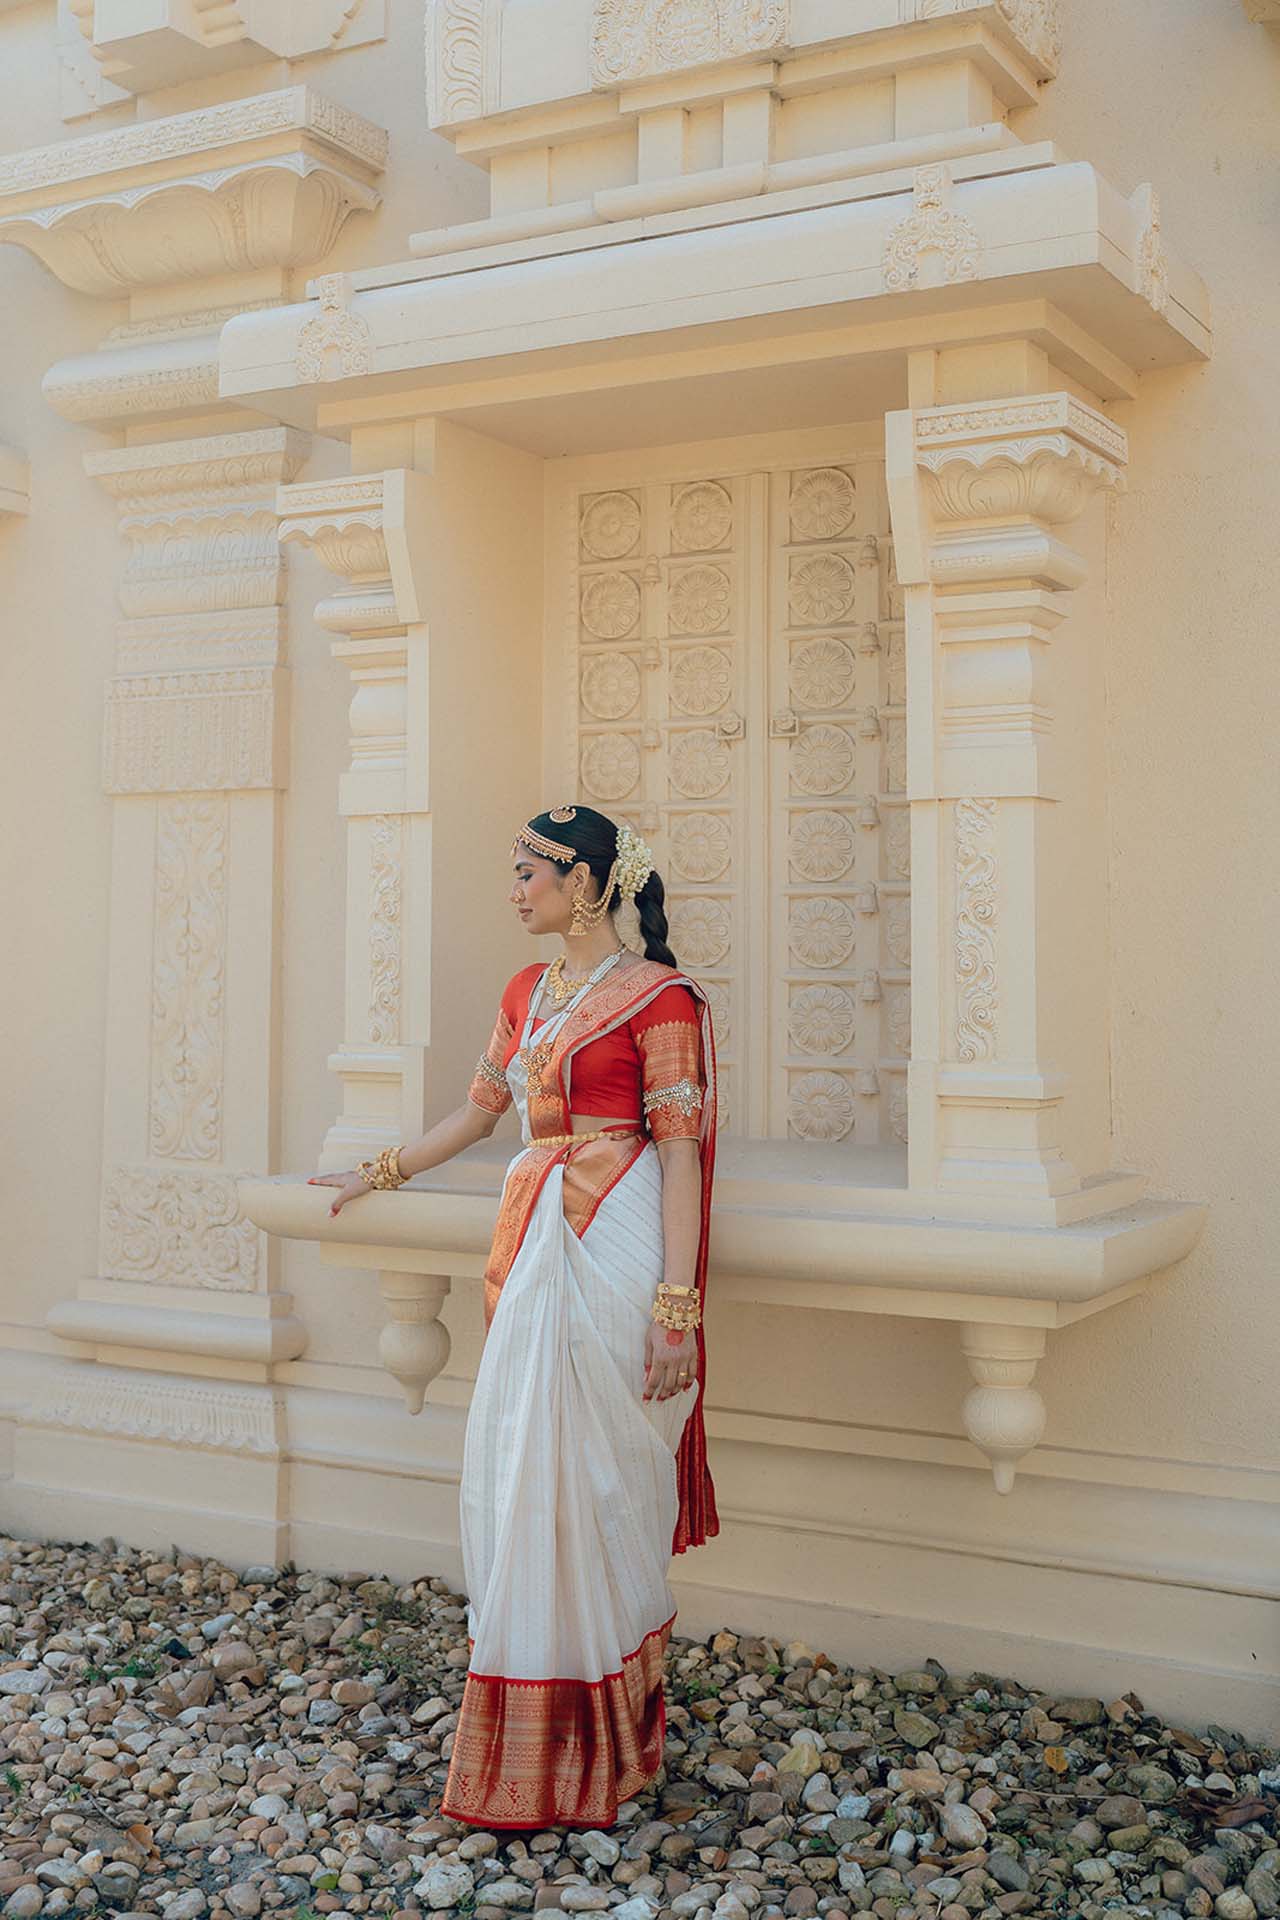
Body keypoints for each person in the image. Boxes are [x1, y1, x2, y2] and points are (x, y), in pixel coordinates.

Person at [309, 804, 719, 1829]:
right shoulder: (524, 993)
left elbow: (678, 1155)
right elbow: (480, 1113)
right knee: (525, 1467)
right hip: (537, 1237)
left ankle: (610, 1743)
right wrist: (376, 1172)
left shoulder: (660, 1000)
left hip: (616, 1241)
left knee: (600, 1478)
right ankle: (542, 1728)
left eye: (528, 874)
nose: (514, 892)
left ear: (583, 882)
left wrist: (676, 1308)